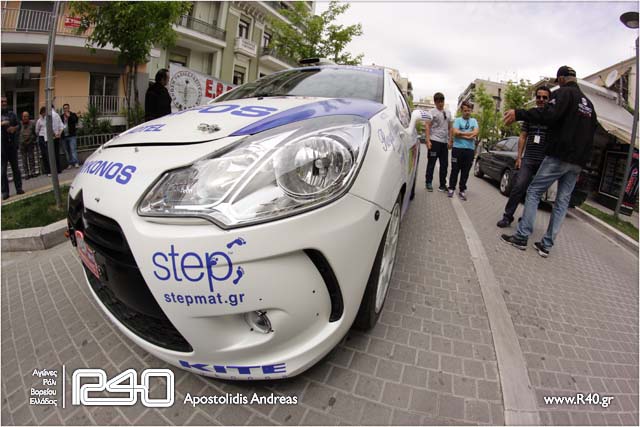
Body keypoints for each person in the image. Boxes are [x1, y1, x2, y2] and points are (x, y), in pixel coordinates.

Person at [502, 66, 598, 257]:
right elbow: (591, 133)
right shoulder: (589, 105)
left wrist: (519, 113)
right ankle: (546, 245)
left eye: (558, 81)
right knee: (562, 201)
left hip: (559, 156)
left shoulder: (563, 94)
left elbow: (547, 114)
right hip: (578, 162)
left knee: (534, 191)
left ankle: (522, 237)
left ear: (561, 79)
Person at [497, 86, 551, 227]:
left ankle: (525, 219)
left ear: (549, 99)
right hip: (528, 159)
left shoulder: (552, 117)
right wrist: (519, 157)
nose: (541, 99)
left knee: (534, 193)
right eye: (538, 97)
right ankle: (507, 217)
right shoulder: (530, 115)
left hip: (543, 161)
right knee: (518, 187)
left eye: (544, 97)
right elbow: (522, 136)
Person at [447, 101, 479, 200]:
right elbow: (455, 132)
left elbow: (476, 133)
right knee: (455, 170)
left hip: (469, 150)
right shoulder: (457, 120)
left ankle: (462, 190)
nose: (467, 112)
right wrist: (469, 135)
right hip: (457, 149)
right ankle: (451, 188)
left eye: (469, 110)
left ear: (471, 111)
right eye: (465, 110)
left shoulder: (474, 121)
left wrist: (462, 134)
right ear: (462, 111)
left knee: (465, 172)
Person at [424, 92, 453, 192]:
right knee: (431, 163)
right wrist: (428, 140)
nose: (441, 104)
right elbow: (427, 126)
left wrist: (450, 140)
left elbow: (450, 127)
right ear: (435, 102)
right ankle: (428, 182)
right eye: (438, 102)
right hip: (434, 140)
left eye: (442, 101)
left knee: (444, 164)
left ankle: (442, 185)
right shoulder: (431, 112)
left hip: (444, 143)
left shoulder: (448, 113)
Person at [1, 96, 23, 200]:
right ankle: (5, 192)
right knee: (3, 171)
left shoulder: (12, 114)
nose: (4, 103)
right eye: (2, 102)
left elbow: (19, 125)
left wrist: (14, 128)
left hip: (12, 146)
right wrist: (2, 123)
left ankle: (19, 188)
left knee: (16, 169)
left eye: (5, 101)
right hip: (2, 148)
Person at [17, 111, 38, 179]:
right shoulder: (20, 124)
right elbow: (17, 133)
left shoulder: (32, 123)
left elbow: (35, 133)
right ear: (22, 117)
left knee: (31, 158)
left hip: (30, 143)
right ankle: (26, 173)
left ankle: (33, 172)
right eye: (24, 116)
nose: (25, 118)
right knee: (24, 159)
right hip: (22, 144)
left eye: (27, 116)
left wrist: (33, 138)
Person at [62, 103, 79, 168]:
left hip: (71, 136)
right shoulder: (61, 116)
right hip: (64, 136)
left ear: (69, 108)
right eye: (64, 108)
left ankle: (76, 162)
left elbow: (76, 121)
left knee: (73, 149)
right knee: (67, 151)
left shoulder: (73, 115)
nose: (65, 109)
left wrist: (69, 116)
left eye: (66, 108)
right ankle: (70, 163)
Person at [35, 106, 50, 175]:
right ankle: (47, 171)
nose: (44, 114)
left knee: (48, 154)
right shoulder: (39, 121)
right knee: (44, 155)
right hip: (42, 137)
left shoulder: (48, 119)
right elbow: (37, 131)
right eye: (43, 112)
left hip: (48, 137)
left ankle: (51, 169)